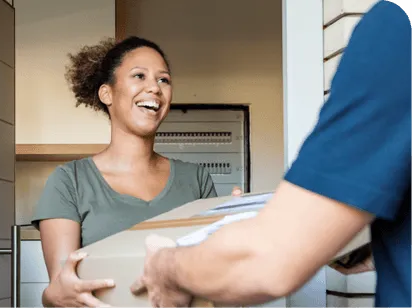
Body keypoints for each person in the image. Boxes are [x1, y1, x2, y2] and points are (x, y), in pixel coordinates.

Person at [131, 1, 411, 308]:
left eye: (163, 79)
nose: (154, 89)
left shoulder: (397, 32)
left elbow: (264, 259)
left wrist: (165, 268)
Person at [30, 36, 242, 308]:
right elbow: (61, 289)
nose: (154, 87)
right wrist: (52, 296)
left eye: (163, 80)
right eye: (139, 76)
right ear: (107, 93)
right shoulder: (69, 181)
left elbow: (213, 278)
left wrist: (232, 230)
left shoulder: (196, 180)